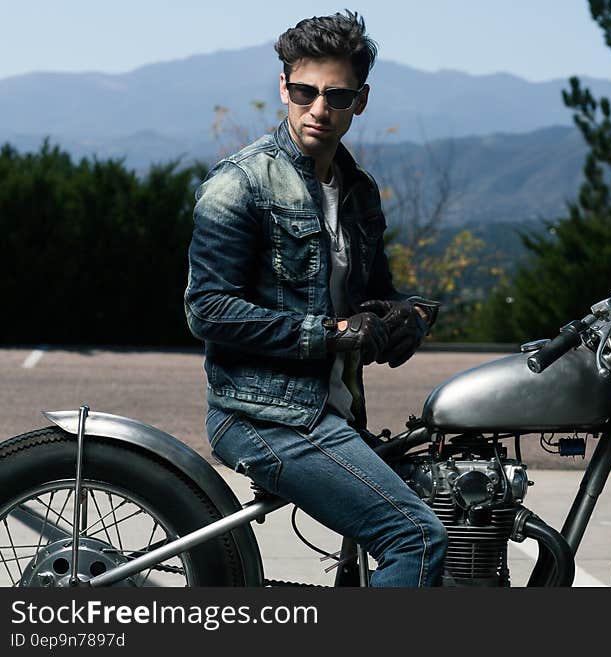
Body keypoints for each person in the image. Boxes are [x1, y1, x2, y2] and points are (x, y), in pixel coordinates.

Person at [184, 11, 447, 587]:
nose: (319, 109)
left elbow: (374, 297)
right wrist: (329, 334)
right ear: (284, 87)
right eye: (304, 91)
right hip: (261, 416)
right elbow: (207, 309)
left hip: (333, 413)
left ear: (361, 100)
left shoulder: (358, 190)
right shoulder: (240, 183)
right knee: (416, 537)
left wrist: (412, 314)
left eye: (337, 95)